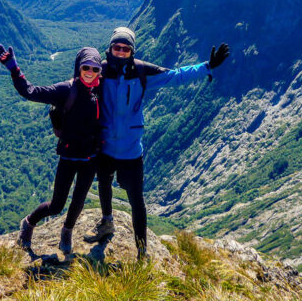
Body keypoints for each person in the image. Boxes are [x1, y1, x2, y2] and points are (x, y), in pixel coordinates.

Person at [83, 27, 229, 258]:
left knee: (137, 201)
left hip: (131, 150)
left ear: (131, 51)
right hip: (106, 145)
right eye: (116, 48)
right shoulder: (99, 70)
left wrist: (206, 67)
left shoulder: (141, 72)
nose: (120, 52)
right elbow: (78, 83)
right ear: (109, 48)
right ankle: (107, 223)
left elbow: (176, 76)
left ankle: (142, 249)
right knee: (104, 185)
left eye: (125, 48)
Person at [0, 43, 102, 254]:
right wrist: (14, 68)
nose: (90, 72)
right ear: (78, 67)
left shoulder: (101, 88)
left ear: (100, 71)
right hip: (69, 157)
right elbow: (30, 92)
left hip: (91, 158)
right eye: (85, 67)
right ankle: (29, 223)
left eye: (95, 69)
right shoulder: (66, 89)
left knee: (78, 201)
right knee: (57, 205)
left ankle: (66, 232)